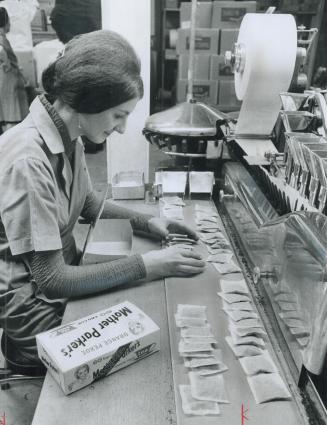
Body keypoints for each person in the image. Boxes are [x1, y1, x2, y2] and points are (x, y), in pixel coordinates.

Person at [0, 30, 205, 375]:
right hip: (36, 309)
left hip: (60, 285)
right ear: (88, 102)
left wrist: (148, 222)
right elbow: (52, 279)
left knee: (141, 313)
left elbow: (89, 204)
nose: (123, 129)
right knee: (142, 354)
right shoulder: (27, 160)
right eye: (118, 116)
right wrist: (149, 265)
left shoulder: (68, 134)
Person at [0, 7, 29, 132]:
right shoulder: (1, 38)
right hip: (8, 81)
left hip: (7, 80)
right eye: (9, 21)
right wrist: (6, 63)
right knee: (11, 116)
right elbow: (1, 52)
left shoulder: (3, 38)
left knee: (8, 116)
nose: (10, 24)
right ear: (5, 22)